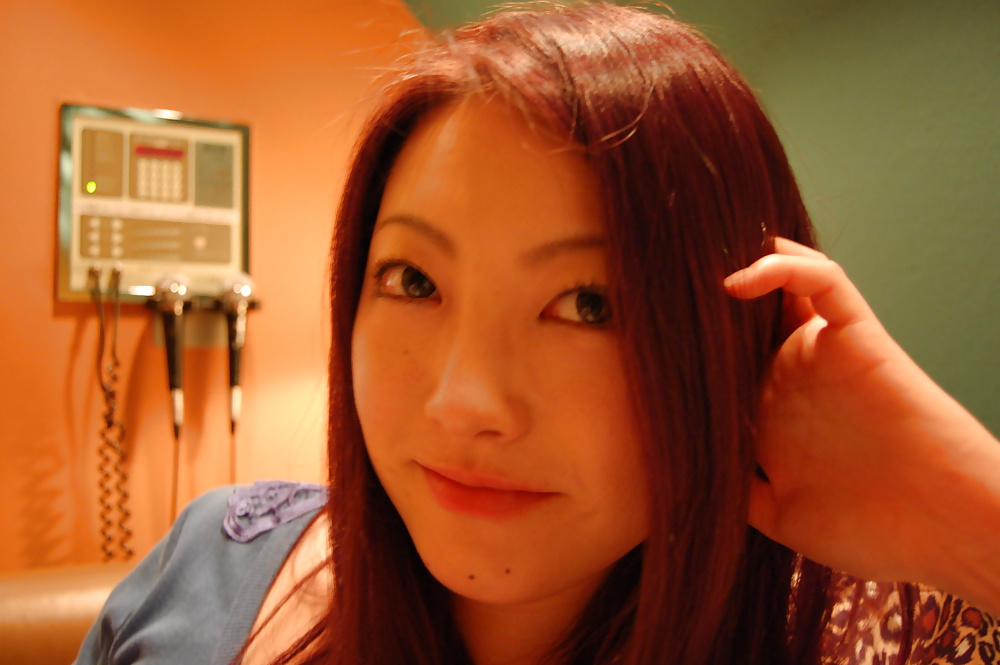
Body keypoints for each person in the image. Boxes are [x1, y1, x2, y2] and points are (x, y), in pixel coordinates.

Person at [74, 3, 1000, 665]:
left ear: (729, 344)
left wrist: (965, 507)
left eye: (589, 304)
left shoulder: (873, 636)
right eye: (413, 281)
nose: (463, 401)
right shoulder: (210, 564)